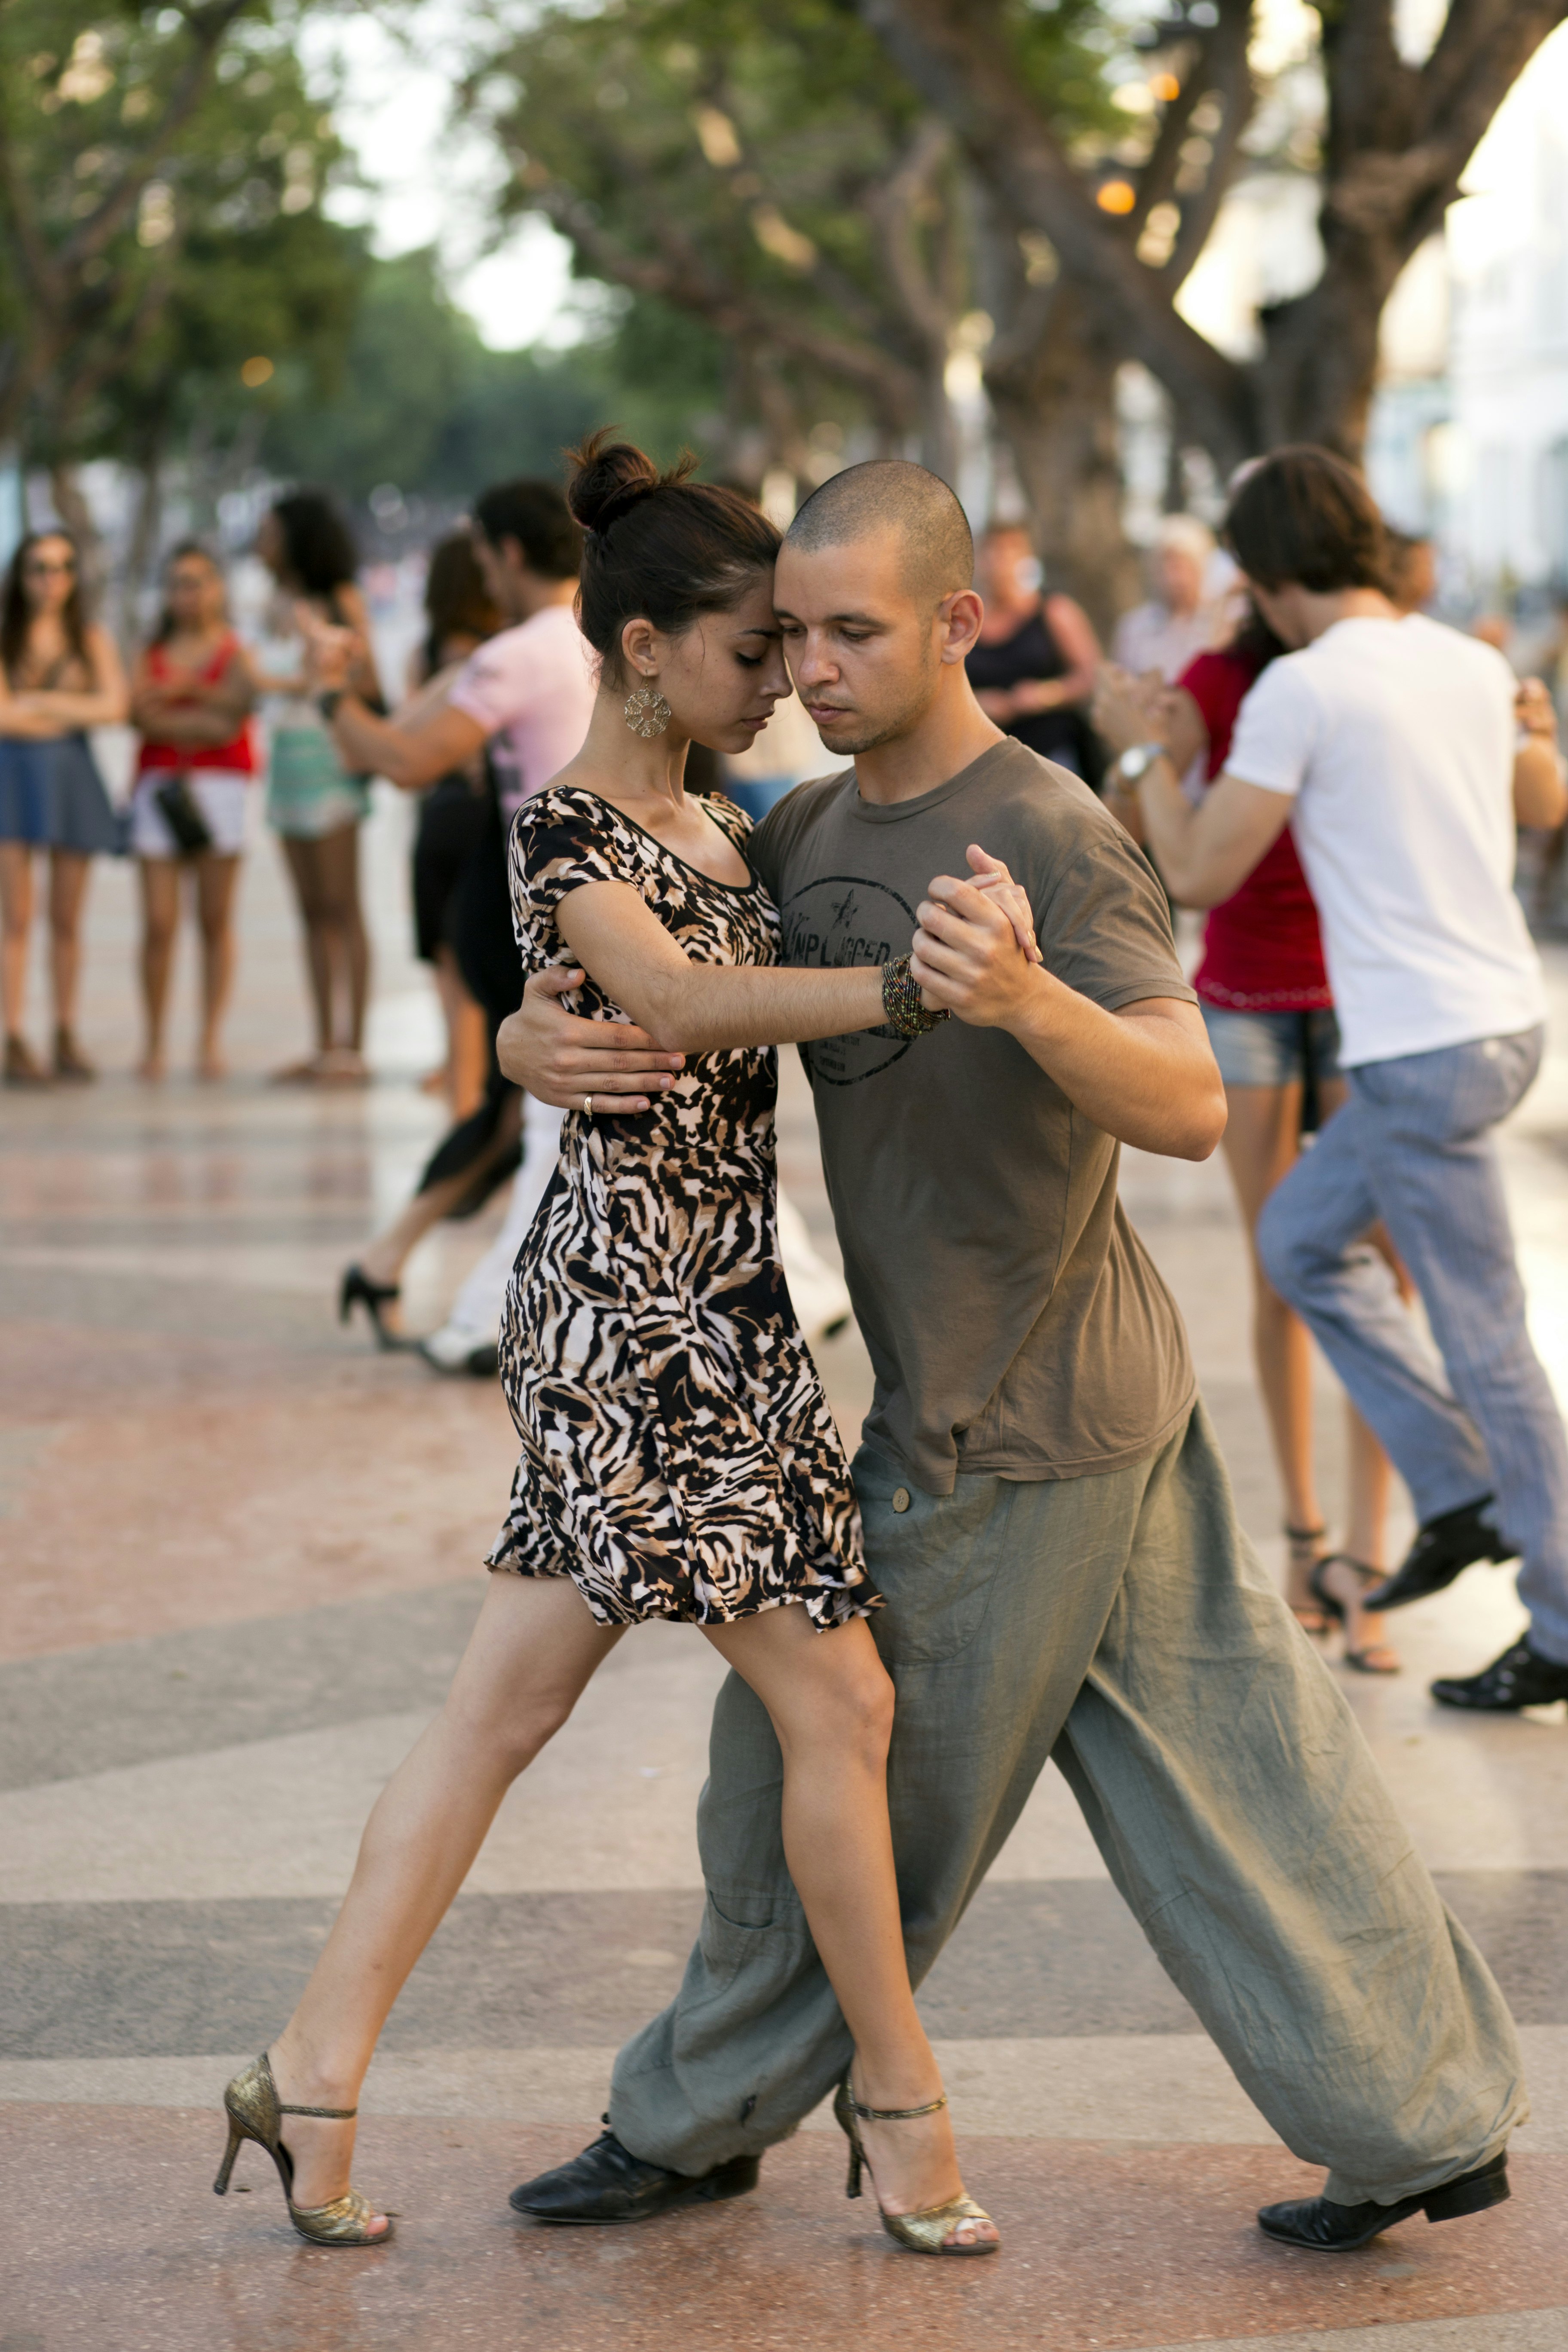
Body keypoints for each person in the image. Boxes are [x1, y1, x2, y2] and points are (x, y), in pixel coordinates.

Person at [500, 456, 1524, 2258]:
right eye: (791, 636)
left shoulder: (1046, 830)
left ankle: (689, 2121)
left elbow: (1198, 1106)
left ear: (960, 622)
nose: (812, 669)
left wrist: (1029, 997)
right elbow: (658, 970)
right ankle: (1422, 2121)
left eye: (854, 633)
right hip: (1079, 1402)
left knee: (813, 1793)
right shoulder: (801, 835)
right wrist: (527, 1042)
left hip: (1018, 1423)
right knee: (1254, 1784)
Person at [216, 437, 1039, 2256]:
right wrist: (910, 982)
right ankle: (899, 2108)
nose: (788, 679)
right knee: (840, 1698)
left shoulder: (730, 826)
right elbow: (670, 999)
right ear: (648, 647)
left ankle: (312, 2063)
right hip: (635, 1325)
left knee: (499, 1712)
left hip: (714, 1299)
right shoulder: (567, 830)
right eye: (756, 648)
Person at [1114, 442, 1568, 1713]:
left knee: (1486, 1340)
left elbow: (1198, 870)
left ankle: (1556, 1607)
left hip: (1422, 1050)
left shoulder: (1304, 690)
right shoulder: (1465, 662)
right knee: (1305, 1243)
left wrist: (1150, 754)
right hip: (1492, 1024)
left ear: (1258, 575)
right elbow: (1544, 804)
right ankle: (1461, 1490)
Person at [1096, 610, 1404, 1672]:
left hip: (1371, 998)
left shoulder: (1373, 667)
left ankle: (1374, 1558)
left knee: (1384, 1277)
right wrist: (1137, 741)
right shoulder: (1216, 680)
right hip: (1253, 1000)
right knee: (1284, 1264)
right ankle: (1308, 1537)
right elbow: (1131, 823)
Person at [306, 479, 596, 1351]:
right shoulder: (589, 638)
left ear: (506, 554)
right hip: (529, 908)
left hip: (537, 897)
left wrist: (329, 696)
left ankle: (393, 1264)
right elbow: (405, 755)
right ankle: (468, 1301)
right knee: (525, 1112)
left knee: (522, 1113)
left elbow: (394, 752)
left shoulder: (521, 650)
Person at [254, 490, 384, 1085]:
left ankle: (352, 1047)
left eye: (270, 532)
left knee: (342, 904)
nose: (261, 542)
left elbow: (371, 680)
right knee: (309, 910)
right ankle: (322, 1041)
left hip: (330, 758)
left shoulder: (340, 599)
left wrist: (330, 663)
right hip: (285, 761)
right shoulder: (271, 602)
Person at [128, 542, 260, 1082]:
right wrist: (207, 705)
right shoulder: (149, 649)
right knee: (159, 922)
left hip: (224, 786)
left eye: (199, 581)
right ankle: (154, 1039)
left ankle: (209, 1038)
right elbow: (139, 714)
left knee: (214, 920)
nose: (189, 593)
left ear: (218, 587)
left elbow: (237, 716)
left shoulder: (235, 650)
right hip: (160, 785)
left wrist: (180, 698)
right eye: (179, 582)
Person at [0, 528, 128, 1085]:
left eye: (62, 567)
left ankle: (65, 1028)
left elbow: (115, 708)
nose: (51, 580)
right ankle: (15, 1034)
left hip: (72, 778)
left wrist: (45, 703)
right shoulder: (7, 637)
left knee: (68, 917)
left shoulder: (90, 637)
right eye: (39, 568)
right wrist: (77, 711)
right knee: (17, 916)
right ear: (20, 576)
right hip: (12, 776)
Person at [405, 535, 503, 1119]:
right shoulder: (506, 652)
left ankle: (461, 1092)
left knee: (451, 967)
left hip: (440, 817)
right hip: (489, 818)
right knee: (491, 968)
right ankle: (480, 1089)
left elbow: (409, 742)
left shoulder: (430, 651)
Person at [964, 521, 1101, 777]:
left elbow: (1091, 677)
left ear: (1026, 558)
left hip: (1050, 753)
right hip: (982, 757)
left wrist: (1045, 695)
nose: (999, 562)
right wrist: (976, 704)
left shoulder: (1054, 611)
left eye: (1009, 551)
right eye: (991, 551)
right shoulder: (965, 621)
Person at [1112, 513, 1228, 681]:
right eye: (1166, 565)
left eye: (1183, 566)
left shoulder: (1222, 622)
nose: (1174, 577)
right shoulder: (1134, 626)